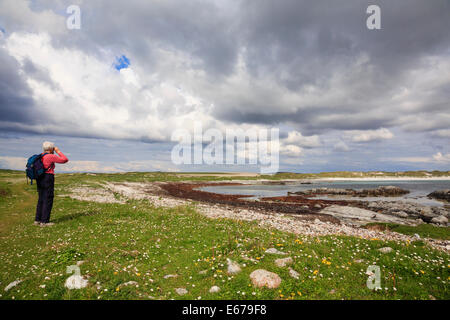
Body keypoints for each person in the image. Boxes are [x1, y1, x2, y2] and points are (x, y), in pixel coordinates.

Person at [35, 141, 69, 226]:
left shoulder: (41, 156)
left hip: (40, 178)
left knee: (41, 198)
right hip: (48, 177)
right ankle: (45, 221)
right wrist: (58, 151)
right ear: (51, 149)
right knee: (48, 198)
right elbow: (65, 159)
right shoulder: (50, 156)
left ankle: (37, 220)